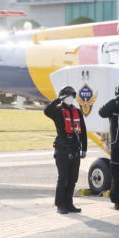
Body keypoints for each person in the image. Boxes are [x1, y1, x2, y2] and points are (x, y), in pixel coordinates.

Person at [44, 86, 88, 214]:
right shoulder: (57, 111)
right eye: (68, 95)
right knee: (63, 178)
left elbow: (83, 131)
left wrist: (84, 148)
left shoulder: (77, 112)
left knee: (73, 178)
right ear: (62, 97)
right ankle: (60, 204)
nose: (71, 98)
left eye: (72, 95)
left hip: (75, 149)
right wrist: (58, 100)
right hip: (62, 150)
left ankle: (69, 202)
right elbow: (46, 111)